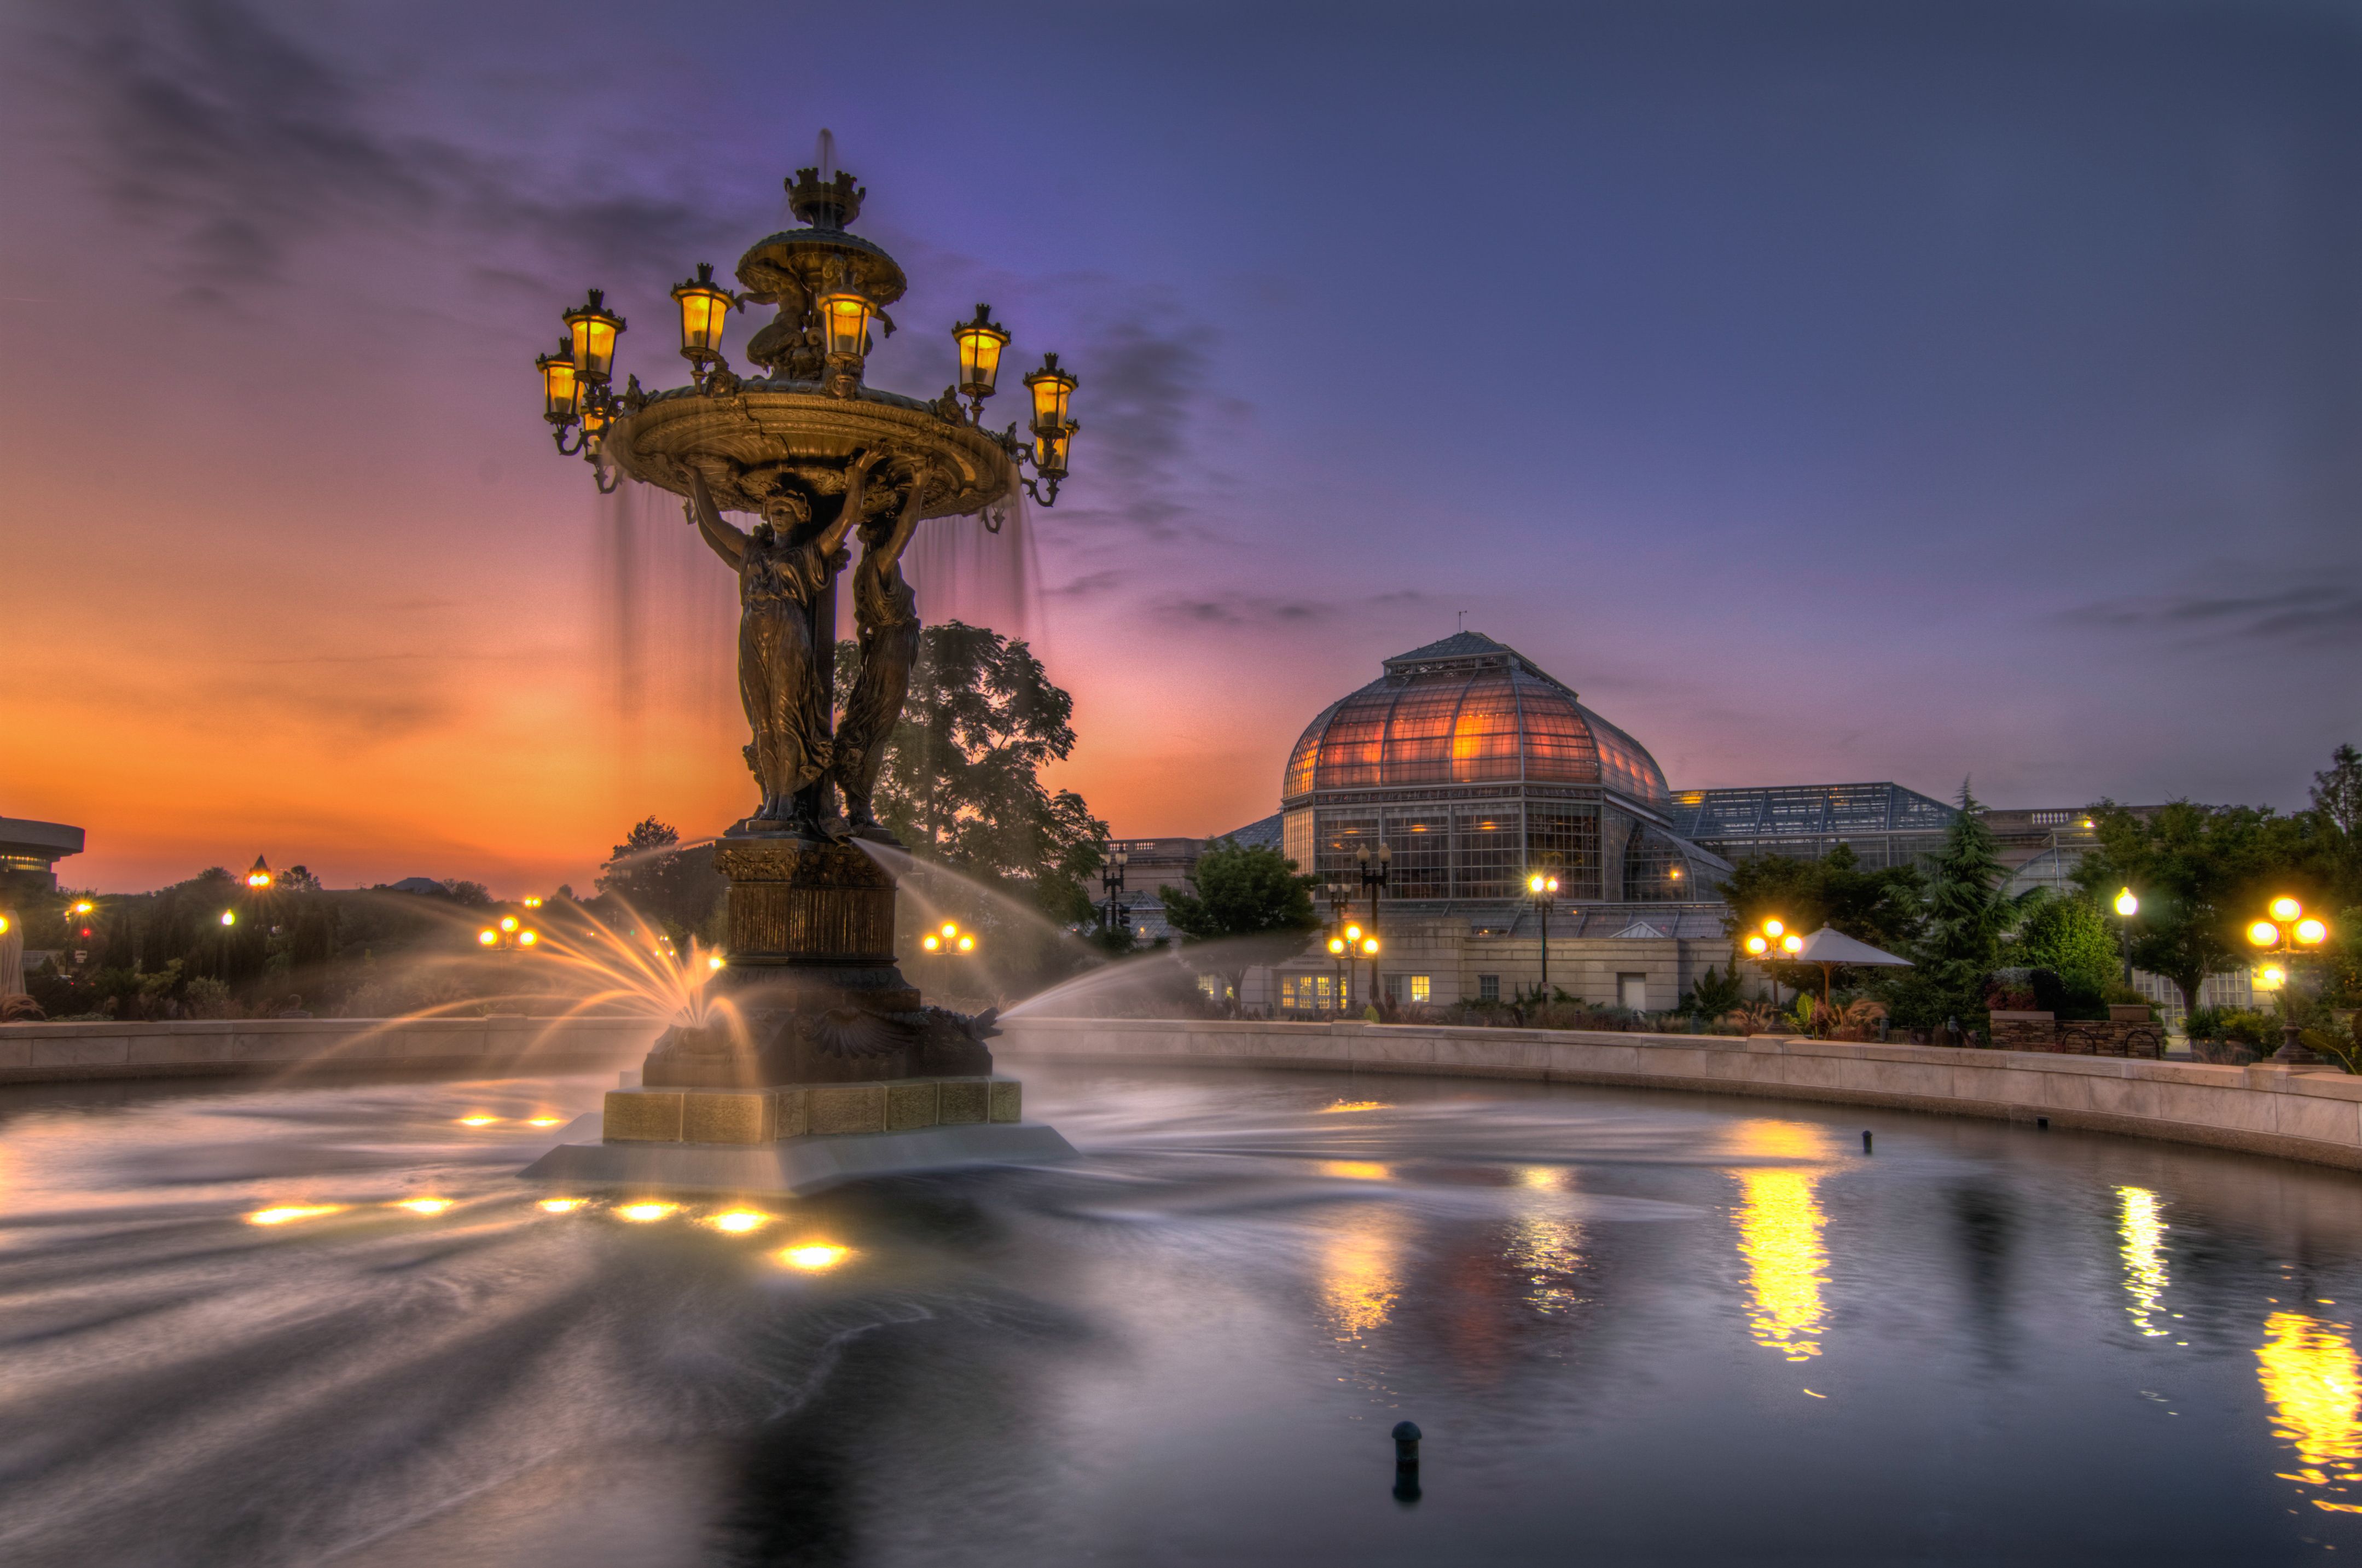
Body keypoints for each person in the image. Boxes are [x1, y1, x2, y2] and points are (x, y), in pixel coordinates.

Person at [685, 452, 880, 831]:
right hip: (752, 634)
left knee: (787, 715)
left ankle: (788, 798)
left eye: (786, 509)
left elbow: (844, 522)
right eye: (773, 508)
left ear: (801, 515)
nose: (778, 513)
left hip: (790, 633)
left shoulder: (808, 554)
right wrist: (695, 479)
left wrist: (856, 480)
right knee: (762, 720)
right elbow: (712, 527)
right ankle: (772, 797)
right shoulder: (753, 551)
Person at [832, 473, 928, 843]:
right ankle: (859, 805)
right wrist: (917, 485)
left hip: (888, 650)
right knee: (876, 730)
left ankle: (858, 802)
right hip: (892, 649)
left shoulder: (866, 571)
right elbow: (907, 530)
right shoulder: (881, 565)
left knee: (872, 728)